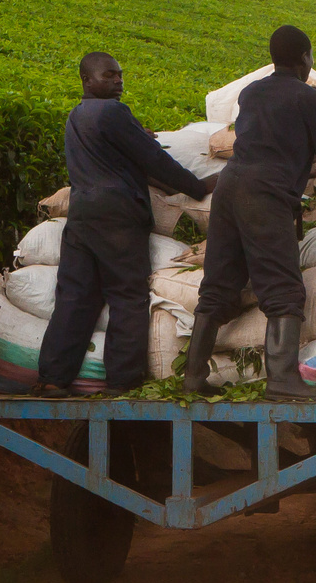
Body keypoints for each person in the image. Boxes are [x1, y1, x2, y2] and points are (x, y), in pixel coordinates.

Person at [185, 26, 316, 401]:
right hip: (264, 195)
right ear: (305, 58)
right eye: (311, 56)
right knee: (283, 288)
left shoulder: (252, 93)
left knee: (218, 284)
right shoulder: (313, 101)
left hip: (229, 187)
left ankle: (192, 376)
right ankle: (283, 379)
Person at [33, 52, 215, 397]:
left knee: (75, 296)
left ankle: (53, 377)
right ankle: (123, 381)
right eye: (108, 76)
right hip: (117, 215)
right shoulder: (114, 112)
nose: (117, 81)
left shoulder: (77, 116)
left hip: (82, 214)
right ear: (87, 80)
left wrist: (137, 137)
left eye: (119, 75)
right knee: (127, 295)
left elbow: (118, 152)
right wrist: (198, 186)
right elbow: (154, 160)